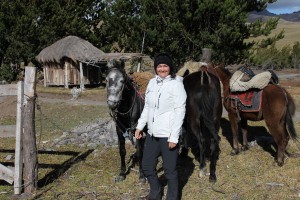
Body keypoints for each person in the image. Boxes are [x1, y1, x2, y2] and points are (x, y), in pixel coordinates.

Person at [135, 53, 187, 200]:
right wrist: (140, 126)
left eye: (165, 66)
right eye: (159, 66)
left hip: (168, 135)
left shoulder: (176, 85)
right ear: (155, 68)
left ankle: (172, 197)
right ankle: (156, 192)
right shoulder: (152, 83)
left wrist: (174, 137)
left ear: (170, 67)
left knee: (170, 171)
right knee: (147, 166)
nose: (162, 69)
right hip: (152, 134)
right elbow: (147, 107)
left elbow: (180, 111)